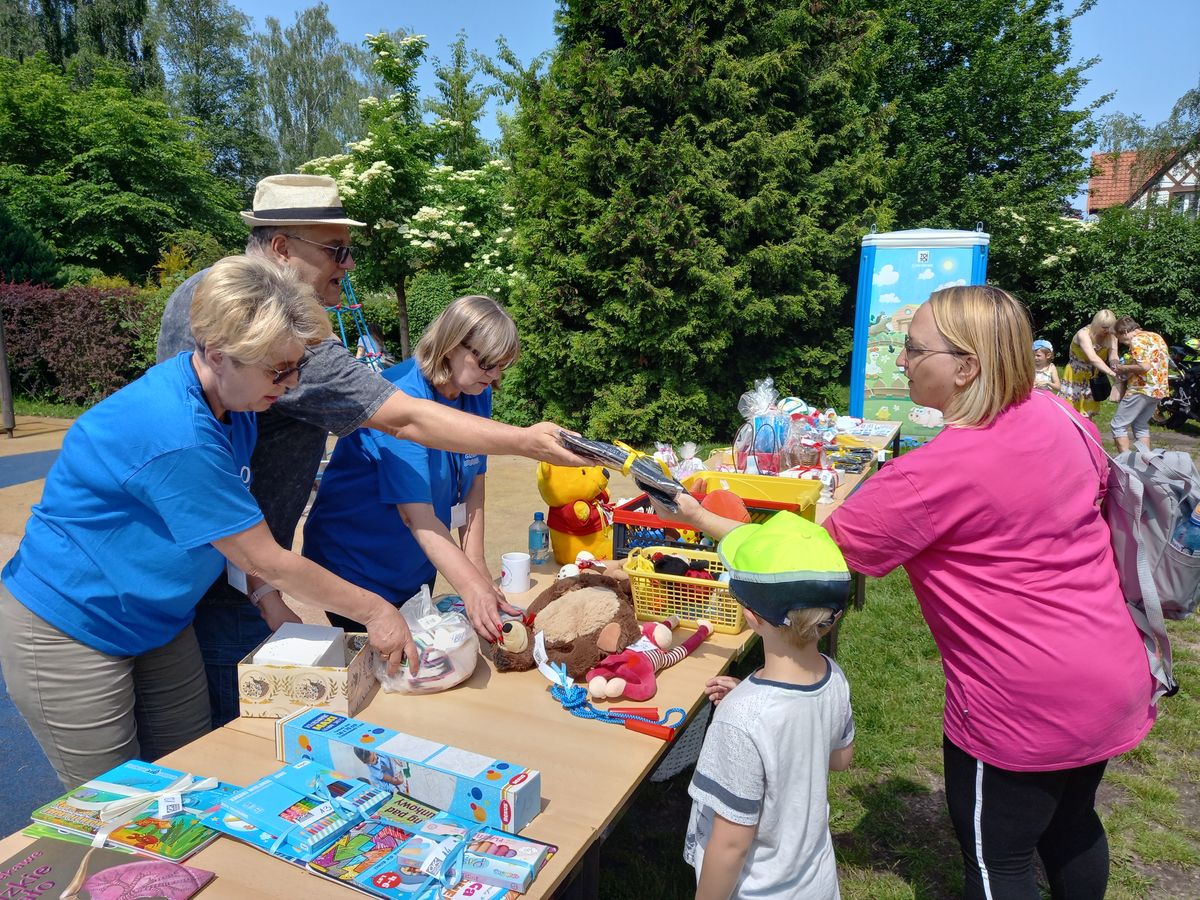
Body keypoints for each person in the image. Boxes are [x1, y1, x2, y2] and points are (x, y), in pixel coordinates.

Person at [661, 286, 1157, 899]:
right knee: (1072, 825)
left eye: (913, 349)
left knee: (999, 859)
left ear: (967, 365)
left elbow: (800, 560)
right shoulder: (1062, 416)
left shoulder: (928, 476)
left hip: (1020, 701)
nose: (901, 361)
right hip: (1112, 671)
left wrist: (698, 515)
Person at [157, 174, 586, 727]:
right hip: (212, 574)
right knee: (226, 736)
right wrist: (526, 442)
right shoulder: (272, 334)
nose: (350, 264)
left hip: (244, 569)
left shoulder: (262, 320)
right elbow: (403, 420)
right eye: (337, 250)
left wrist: (264, 588)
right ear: (282, 249)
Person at [0, 256, 421, 788]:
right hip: (72, 626)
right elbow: (261, 554)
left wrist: (267, 599)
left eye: (295, 366)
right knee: (118, 804)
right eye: (278, 370)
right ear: (219, 356)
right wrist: (375, 610)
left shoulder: (234, 404)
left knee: (192, 775)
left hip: (160, 619)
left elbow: (228, 527)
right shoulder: (179, 432)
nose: (291, 386)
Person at [303, 295, 523, 640]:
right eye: (487, 362)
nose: (495, 376)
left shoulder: (478, 390)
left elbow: (474, 484)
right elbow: (415, 516)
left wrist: (477, 568)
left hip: (414, 565)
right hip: (357, 567)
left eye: (503, 365)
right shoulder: (396, 397)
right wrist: (470, 586)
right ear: (452, 344)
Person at [684, 512, 854, 900]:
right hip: (815, 884)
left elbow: (731, 845)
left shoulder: (740, 720)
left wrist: (745, 709)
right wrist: (752, 700)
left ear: (750, 614)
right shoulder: (834, 677)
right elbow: (841, 759)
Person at [1111, 315, 1169, 452]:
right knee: (1140, 424)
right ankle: (1146, 462)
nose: (1123, 342)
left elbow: (1145, 367)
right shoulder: (1155, 336)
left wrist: (1122, 368)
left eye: (1120, 339)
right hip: (1158, 389)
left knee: (1118, 425)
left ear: (1124, 332)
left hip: (1140, 389)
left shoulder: (1136, 340)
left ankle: (1124, 465)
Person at [1060, 309, 1120, 417]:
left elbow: (1113, 355)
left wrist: (1115, 366)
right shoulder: (1083, 334)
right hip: (1075, 375)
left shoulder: (1112, 336)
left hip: (1093, 378)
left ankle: (1087, 433)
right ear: (1096, 324)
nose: (1107, 330)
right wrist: (1112, 374)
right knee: (1070, 411)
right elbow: (1093, 358)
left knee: (1088, 413)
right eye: (1104, 327)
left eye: (1109, 327)